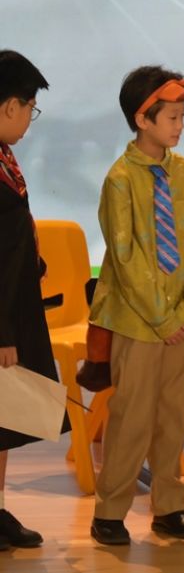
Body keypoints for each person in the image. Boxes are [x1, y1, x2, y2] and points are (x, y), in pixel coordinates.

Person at [89, 67, 184, 545]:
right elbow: (125, 258)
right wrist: (161, 316)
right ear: (143, 119)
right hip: (138, 322)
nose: (180, 126)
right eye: (172, 117)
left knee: (173, 415)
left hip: (178, 320)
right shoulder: (120, 179)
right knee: (131, 417)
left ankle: (170, 505)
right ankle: (109, 510)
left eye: (182, 117)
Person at [0, 50, 62, 552]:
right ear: (9, 106)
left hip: (16, 308)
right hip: (1, 321)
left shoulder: (5, 157)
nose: (28, 120)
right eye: (29, 109)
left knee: (5, 419)